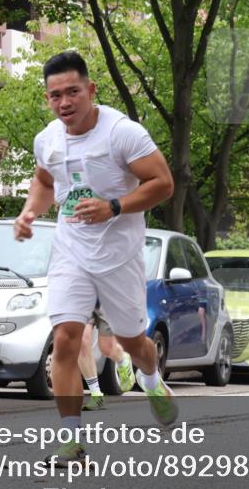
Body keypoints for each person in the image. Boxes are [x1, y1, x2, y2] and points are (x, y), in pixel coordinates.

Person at [14, 50, 175, 465]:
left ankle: (151, 379)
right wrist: (30, 211)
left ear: (91, 89)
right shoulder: (47, 139)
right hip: (71, 252)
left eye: (73, 92)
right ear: (48, 99)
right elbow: (44, 181)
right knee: (66, 337)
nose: (65, 102)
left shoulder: (122, 133)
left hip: (119, 255)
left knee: (132, 341)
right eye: (55, 96)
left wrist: (114, 207)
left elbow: (163, 183)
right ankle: (72, 439)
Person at [78, 308, 135, 411]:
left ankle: (122, 360)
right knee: (82, 341)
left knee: (106, 348)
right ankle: (96, 395)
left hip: (105, 301)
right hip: (83, 300)